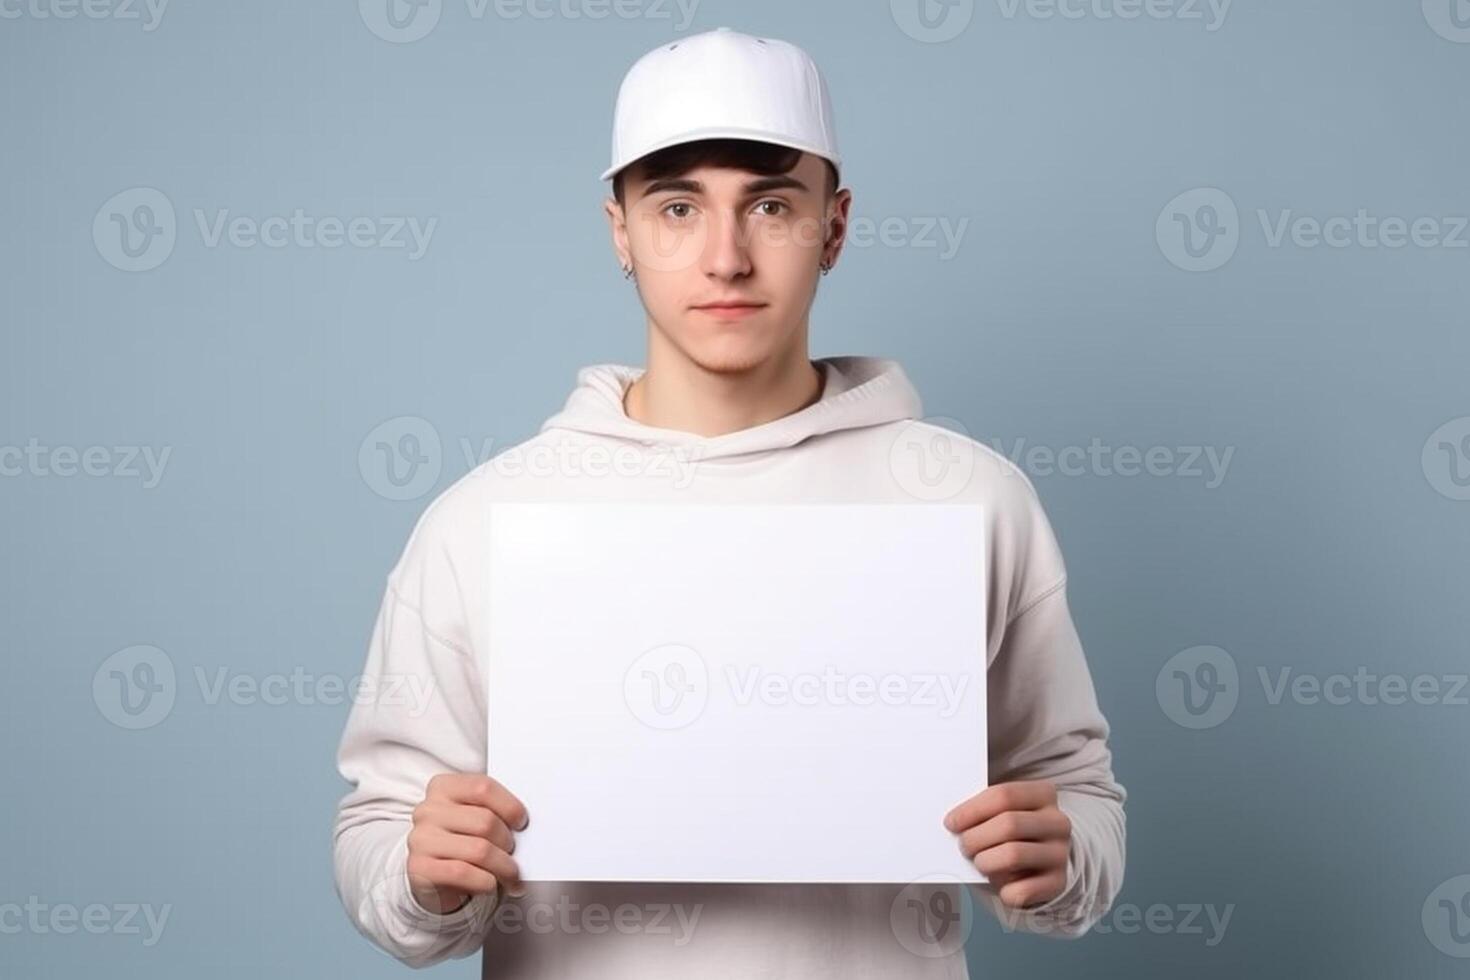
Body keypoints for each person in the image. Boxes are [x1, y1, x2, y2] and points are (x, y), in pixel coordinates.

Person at [332, 26, 1125, 978]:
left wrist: (1062, 856)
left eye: (771, 207)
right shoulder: (483, 522)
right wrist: (421, 873)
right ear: (619, 230)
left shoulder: (970, 500)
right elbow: (379, 830)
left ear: (833, 226)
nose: (726, 257)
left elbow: (1079, 796)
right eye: (677, 208)